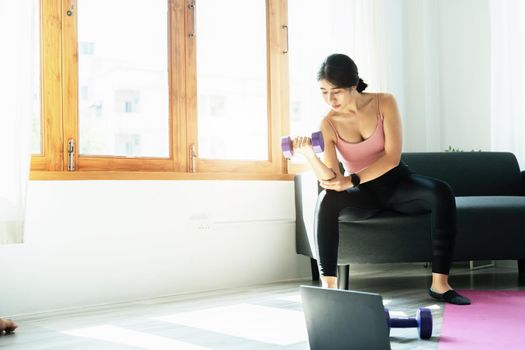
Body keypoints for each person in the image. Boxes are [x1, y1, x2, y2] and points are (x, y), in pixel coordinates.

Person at [292, 53, 470, 305]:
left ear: (353, 85)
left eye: (337, 91)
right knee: (326, 200)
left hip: (397, 183)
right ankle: (328, 287)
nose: (330, 99)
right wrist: (310, 156)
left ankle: (440, 284)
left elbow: (392, 158)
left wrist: (351, 180)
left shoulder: (384, 102)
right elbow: (332, 178)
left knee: (441, 191)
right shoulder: (328, 124)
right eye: (323, 92)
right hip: (364, 194)